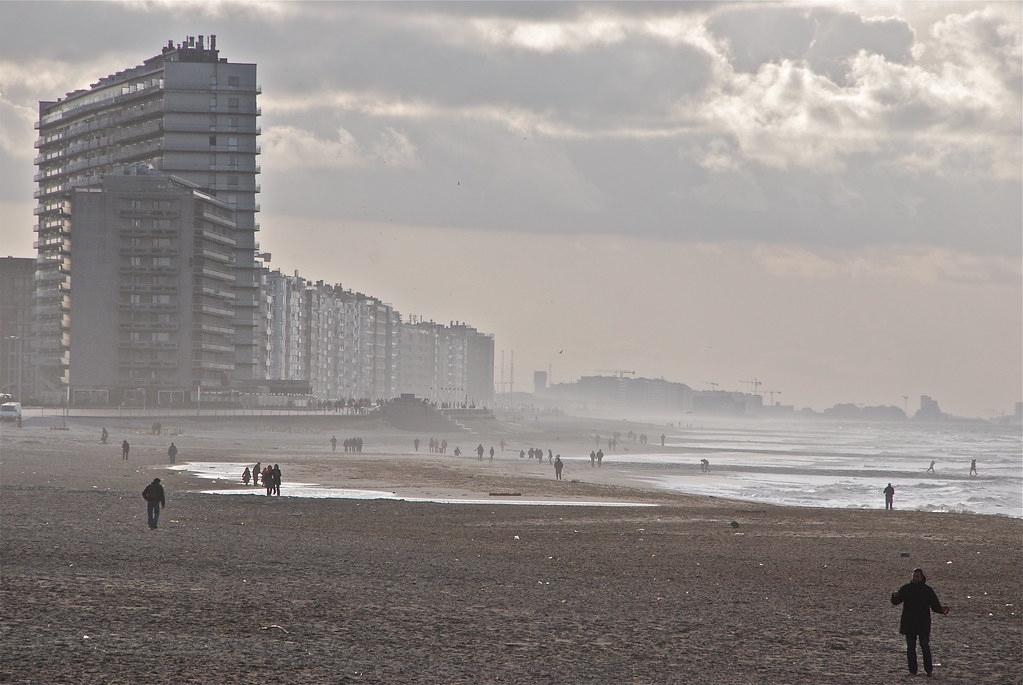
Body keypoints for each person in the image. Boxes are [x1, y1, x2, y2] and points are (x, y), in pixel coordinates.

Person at [890, 568, 949, 676]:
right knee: (910, 648)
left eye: (917, 576)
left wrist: (942, 610)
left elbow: (934, 605)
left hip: (923, 623)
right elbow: (896, 602)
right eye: (914, 576)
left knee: (925, 646)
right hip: (909, 623)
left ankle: (929, 670)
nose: (915, 577)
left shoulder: (927, 590)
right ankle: (913, 671)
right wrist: (894, 595)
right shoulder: (906, 588)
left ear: (922, 577)